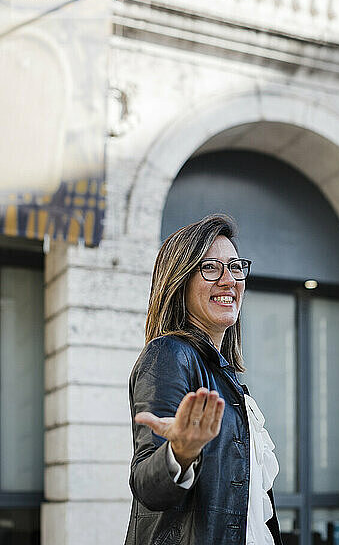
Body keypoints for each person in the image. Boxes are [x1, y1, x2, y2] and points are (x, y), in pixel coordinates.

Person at [123, 214, 283, 545]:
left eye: (235, 267)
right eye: (210, 267)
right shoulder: (170, 355)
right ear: (179, 281)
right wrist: (179, 452)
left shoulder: (227, 380)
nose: (229, 280)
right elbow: (146, 483)